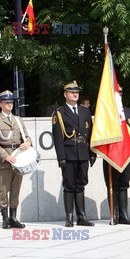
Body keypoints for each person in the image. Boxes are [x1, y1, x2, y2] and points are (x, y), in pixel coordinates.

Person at [52, 81, 96, 227]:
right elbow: (58, 138)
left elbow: (90, 134)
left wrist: (91, 153)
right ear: (65, 95)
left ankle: (82, 216)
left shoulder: (85, 111)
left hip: (83, 152)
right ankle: (69, 217)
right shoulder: (59, 113)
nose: (75, 94)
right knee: (69, 185)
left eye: (76, 92)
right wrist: (61, 158)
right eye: (72, 92)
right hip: (69, 153)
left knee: (81, 184)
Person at [0, 90, 32, 229]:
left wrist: (28, 143)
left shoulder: (17, 120)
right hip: (5, 159)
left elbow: (27, 136)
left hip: (18, 158)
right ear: (0, 104)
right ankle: (5, 217)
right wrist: (5, 156)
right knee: (4, 188)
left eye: (11, 102)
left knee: (16, 188)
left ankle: (13, 216)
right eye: (6, 102)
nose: (9, 104)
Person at [103, 86, 130, 225]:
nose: (118, 96)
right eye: (115, 94)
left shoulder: (128, 112)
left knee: (124, 185)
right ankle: (114, 214)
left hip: (126, 154)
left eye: (120, 94)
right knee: (112, 185)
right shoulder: (105, 113)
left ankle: (124, 215)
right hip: (111, 154)